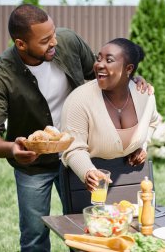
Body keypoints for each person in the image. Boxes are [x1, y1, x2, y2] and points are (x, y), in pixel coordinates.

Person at [0, 4, 151, 252]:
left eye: (54, 33)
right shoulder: (1, 75)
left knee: (91, 226)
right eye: (45, 40)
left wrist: (130, 80)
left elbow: (101, 74)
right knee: (34, 236)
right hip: (33, 167)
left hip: (79, 155)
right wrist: (13, 149)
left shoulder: (68, 42)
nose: (55, 42)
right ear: (21, 44)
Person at [61, 38, 159, 192]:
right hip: (88, 183)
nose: (99, 64)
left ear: (128, 69)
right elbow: (73, 148)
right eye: (98, 58)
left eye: (109, 60)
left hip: (131, 177)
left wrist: (142, 146)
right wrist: (88, 172)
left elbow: (153, 122)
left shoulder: (144, 96)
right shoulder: (79, 100)